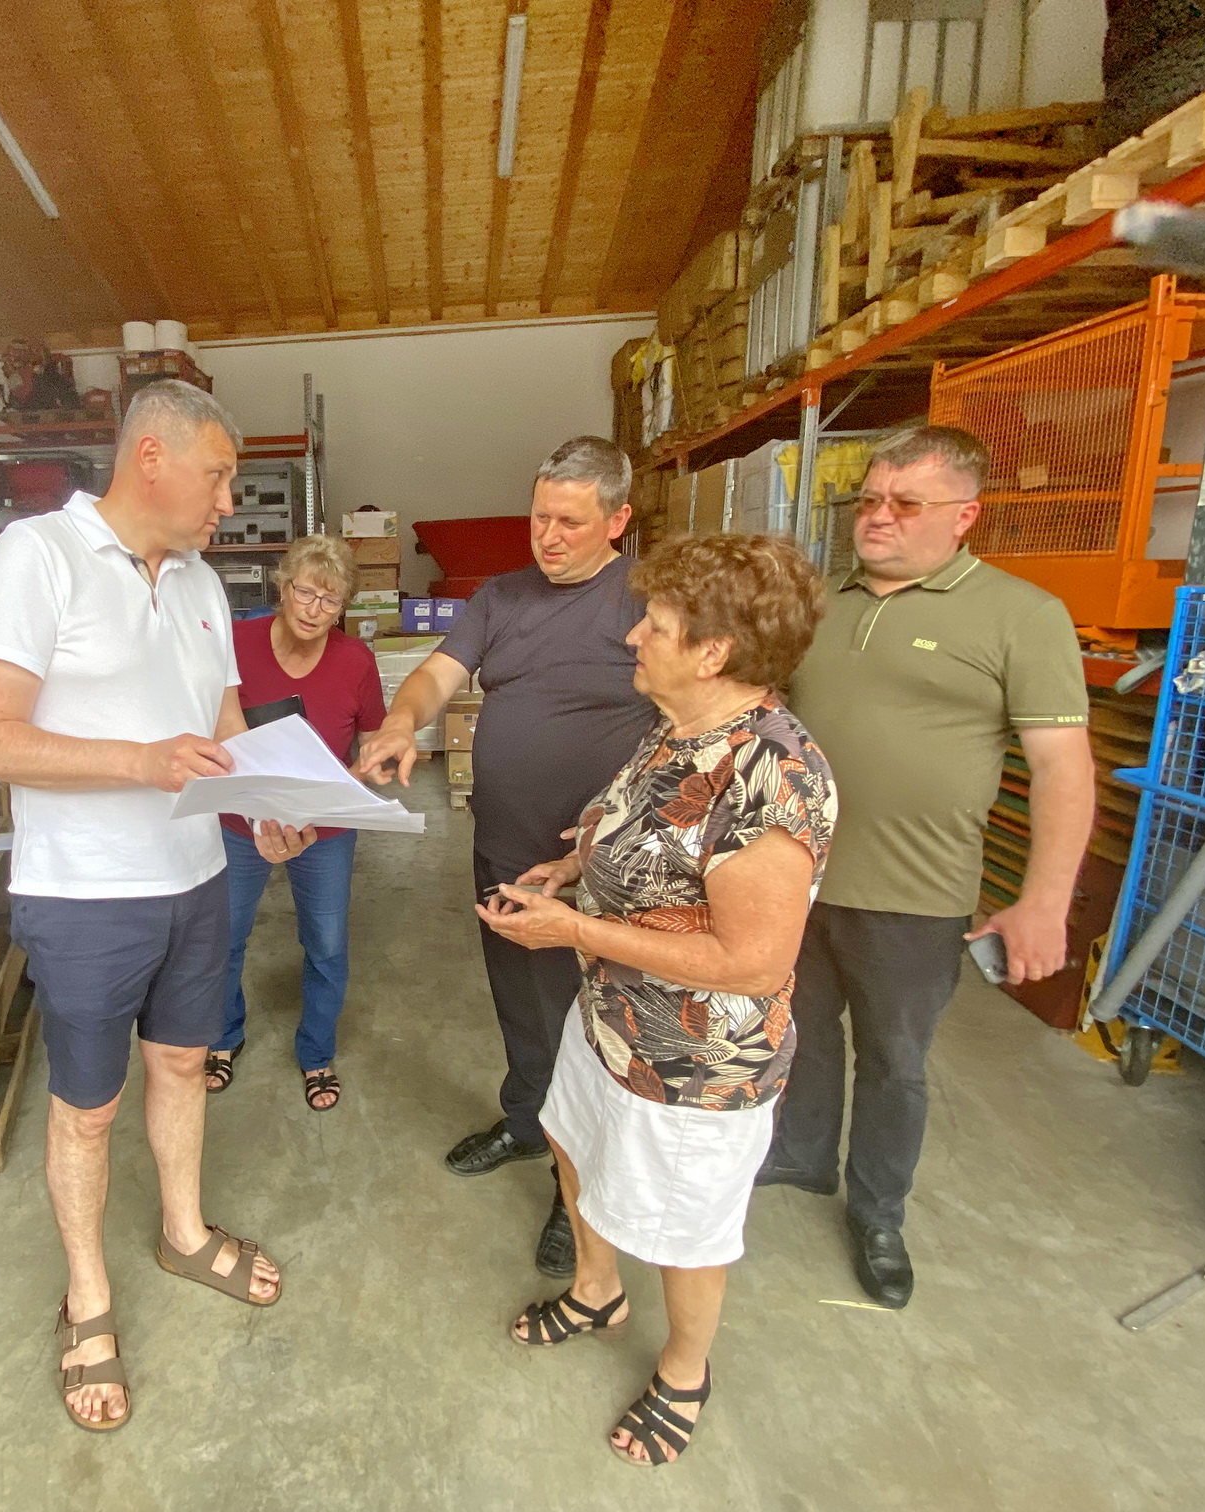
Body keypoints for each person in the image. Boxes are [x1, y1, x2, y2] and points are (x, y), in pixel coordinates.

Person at [0, 380, 307, 1434]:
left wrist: (263, 804)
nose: (228, 501)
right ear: (152, 457)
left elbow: (225, 725)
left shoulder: (202, 583)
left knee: (185, 1064)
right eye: (219, 475)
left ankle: (184, 1234)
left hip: (196, 876)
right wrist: (138, 760)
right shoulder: (37, 557)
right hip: (85, 896)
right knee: (89, 1109)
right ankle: (88, 1296)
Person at [478, 532, 835, 1466]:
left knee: (686, 1230)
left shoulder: (771, 779)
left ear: (714, 653)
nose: (633, 635)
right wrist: (569, 870)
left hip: (695, 1062)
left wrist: (574, 932)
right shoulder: (679, 730)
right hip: (610, 1022)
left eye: (657, 626)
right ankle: (598, 1291)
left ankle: (683, 1371)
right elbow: (635, 832)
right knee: (573, 1144)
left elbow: (753, 964)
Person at [762, 424, 1095, 1309]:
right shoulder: (820, 603)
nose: (878, 517)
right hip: (796, 877)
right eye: (869, 500)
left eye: (905, 503)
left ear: (964, 516)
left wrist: (1044, 901)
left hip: (915, 894)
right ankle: (800, 1155)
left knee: (895, 1060)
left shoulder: (1021, 615)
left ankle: (878, 1213)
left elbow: (1062, 768)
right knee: (797, 1030)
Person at [356, 436, 655, 1278]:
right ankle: (528, 1122)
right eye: (539, 517)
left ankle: (577, 1188)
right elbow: (436, 675)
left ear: (618, 520)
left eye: (570, 522)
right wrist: (398, 721)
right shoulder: (500, 596)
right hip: (504, 846)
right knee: (520, 1000)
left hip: (595, 868)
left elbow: (689, 721)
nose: (548, 536)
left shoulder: (647, 600)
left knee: (588, 1024)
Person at [206, 534, 385, 1111]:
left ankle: (317, 1053)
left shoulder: (356, 661)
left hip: (322, 826)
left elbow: (372, 741)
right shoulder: (236, 644)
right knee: (224, 937)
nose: (314, 609)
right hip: (242, 821)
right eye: (305, 592)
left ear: (343, 606)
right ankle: (223, 1036)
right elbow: (212, 725)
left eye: (330, 600)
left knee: (326, 943)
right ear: (282, 588)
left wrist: (362, 777)